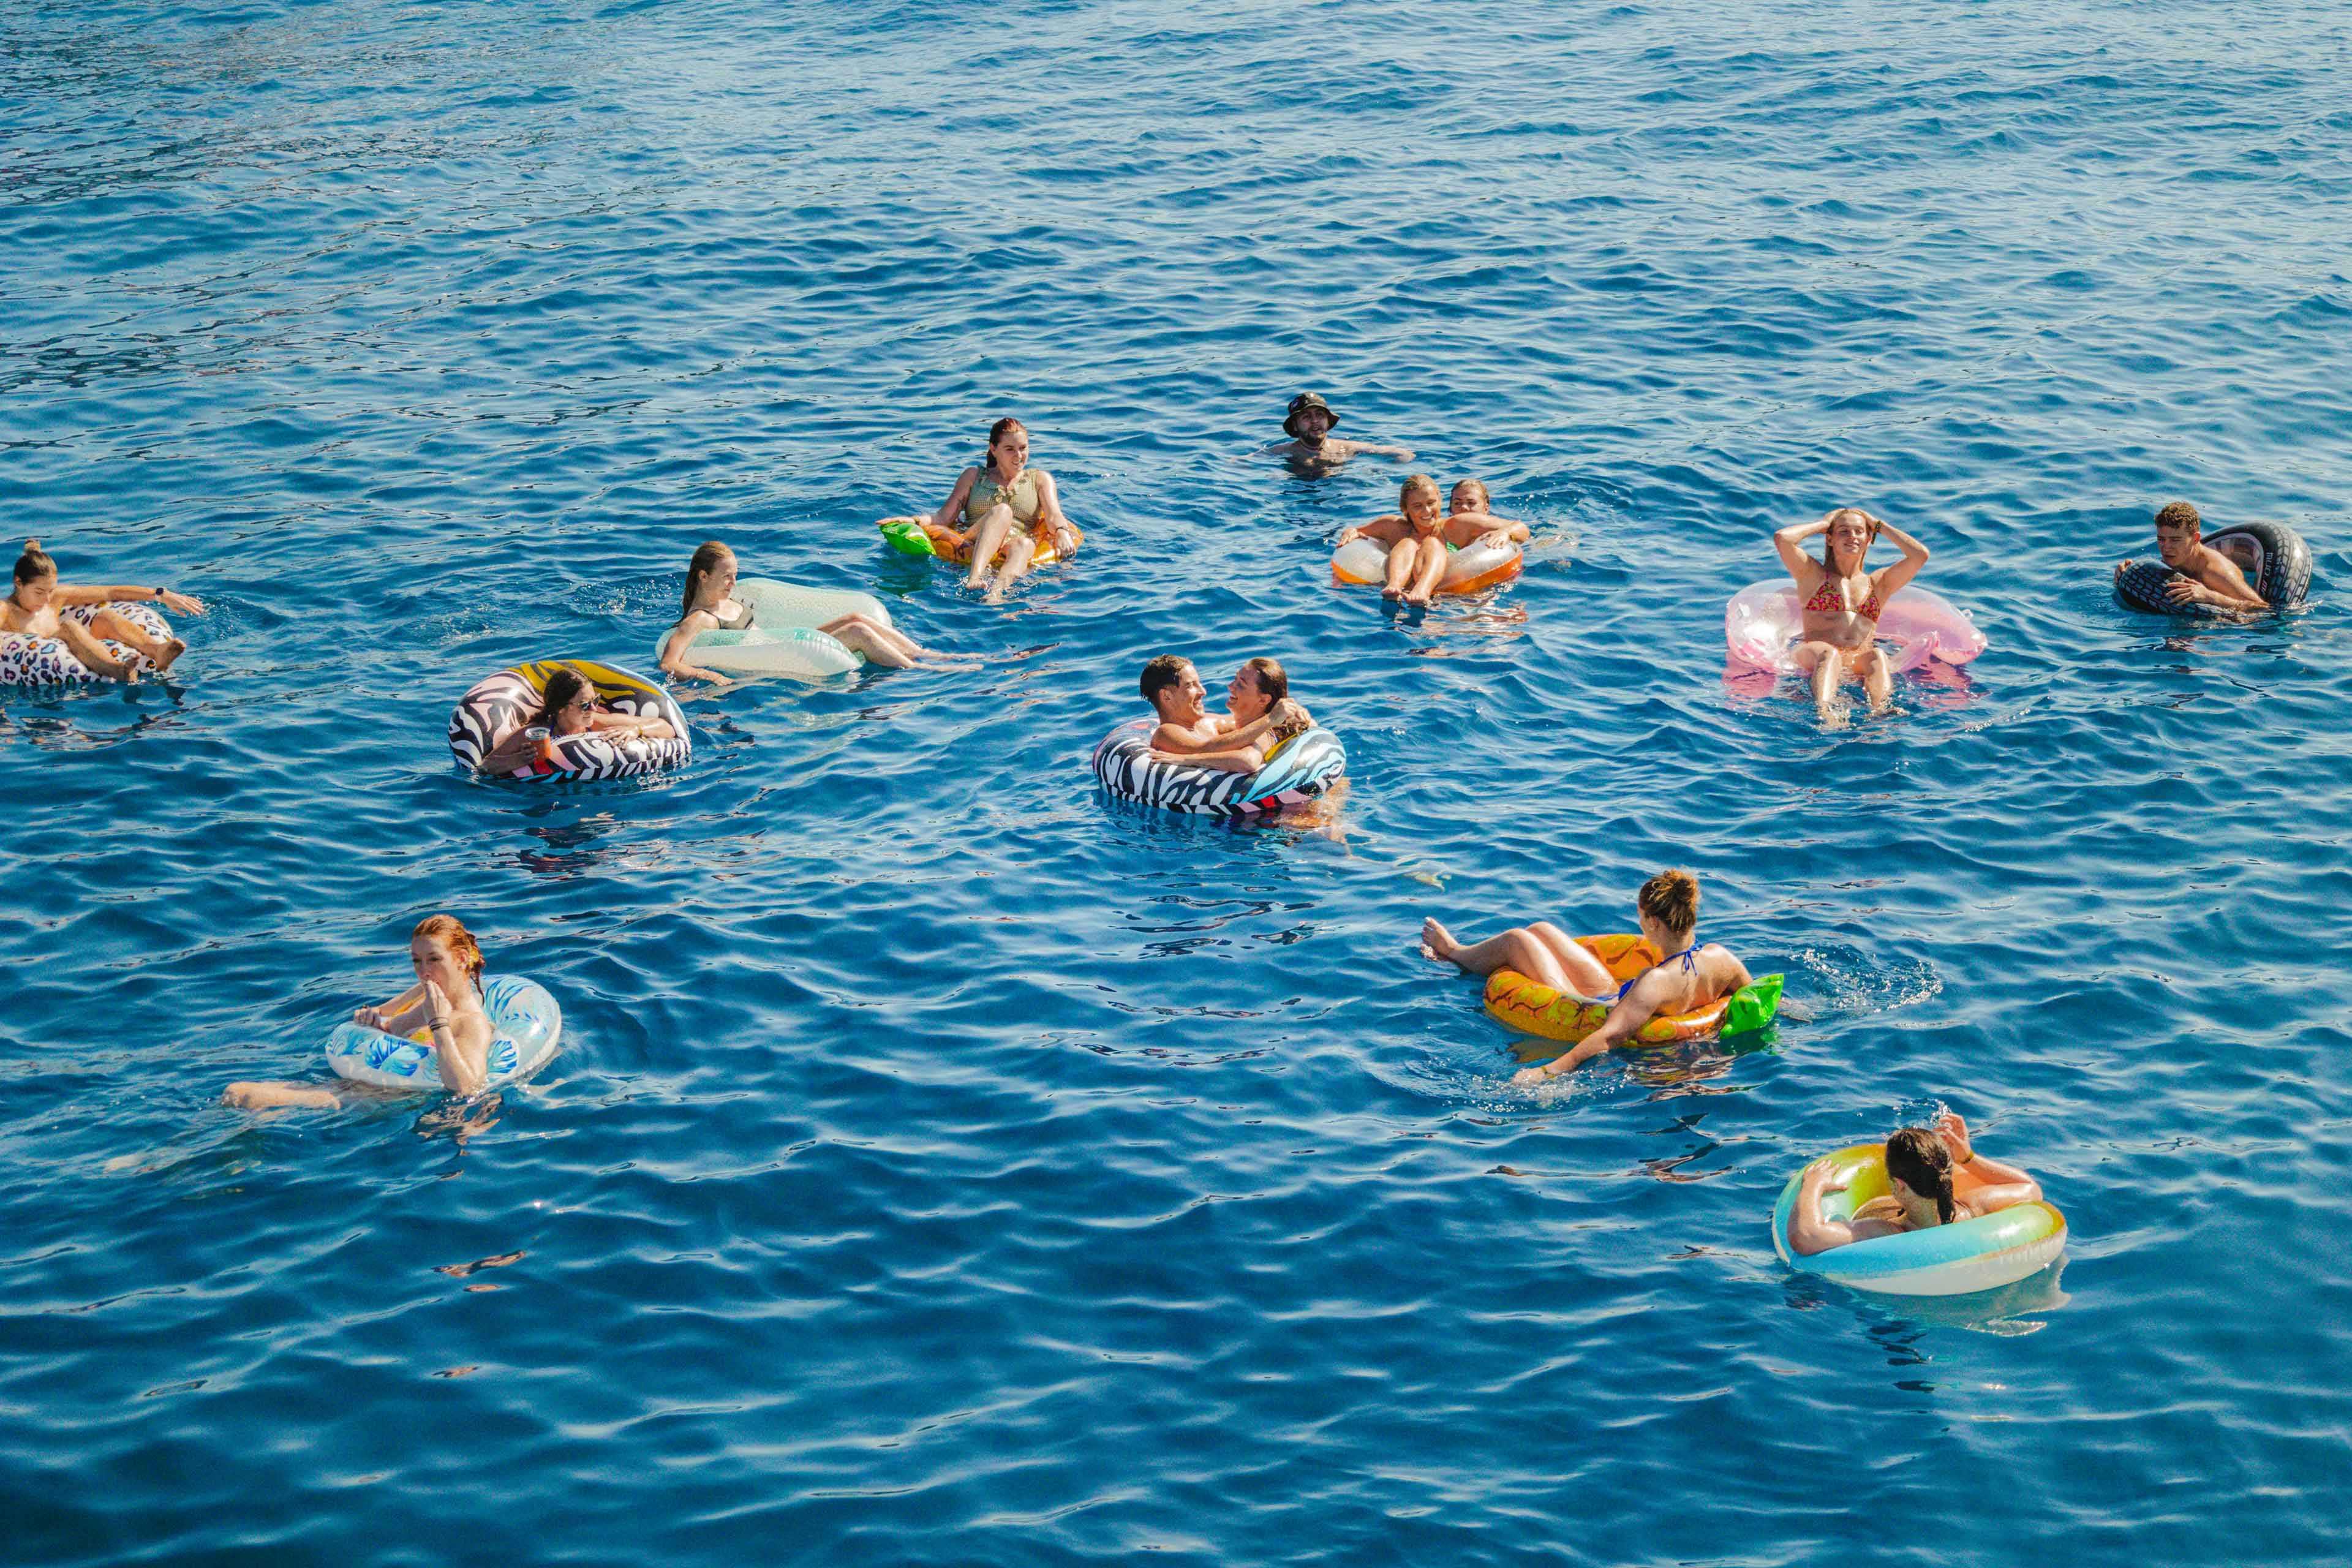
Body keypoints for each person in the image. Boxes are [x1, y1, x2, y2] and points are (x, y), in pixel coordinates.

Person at [1420, 869, 1754, 1086]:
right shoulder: (1720, 958)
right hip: (1613, 994)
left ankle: (1454, 953)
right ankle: (1461, 954)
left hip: (1590, 1007)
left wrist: (1546, 1071)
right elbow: (1753, 993)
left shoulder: (1657, 982)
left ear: (1653, 923)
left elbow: (1608, 1037)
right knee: (1542, 930)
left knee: (1517, 941)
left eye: (1640, 918)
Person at [224, 916, 500, 1109]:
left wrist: (439, 1025)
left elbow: (467, 1088)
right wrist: (373, 1020)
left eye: (434, 959)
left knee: (247, 1098)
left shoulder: (471, 1023)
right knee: (235, 1092)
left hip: (378, 1101)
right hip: (359, 1084)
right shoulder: (425, 996)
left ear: (462, 959)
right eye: (417, 961)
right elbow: (389, 1024)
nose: (424, 971)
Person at [660, 541, 963, 681]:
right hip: (777, 650)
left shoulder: (728, 599)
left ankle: (927, 654)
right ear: (704, 576)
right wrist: (708, 676)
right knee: (857, 632)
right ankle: (922, 672)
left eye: (736, 574)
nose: (733, 582)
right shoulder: (700, 619)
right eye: (727, 576)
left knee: (858, 618)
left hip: (781, 639)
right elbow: (669, 663)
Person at [1784, 1111, 2044, 1254]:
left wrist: (1813, 1185)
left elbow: (1805, 1237)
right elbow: (2031, 1189)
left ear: (1900, 1186)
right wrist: (1969, 1158)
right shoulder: (1971, 1209)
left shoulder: (1886, 1231)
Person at [1771, 507, 1932, 718]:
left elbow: (1920, 555)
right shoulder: (1813, 575)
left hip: (1857, 658)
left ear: (1868, 540)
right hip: (1815, 653)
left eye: (1859, 531)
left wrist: (1878, 526)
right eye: (1843, 531)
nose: (1852, 537)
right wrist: (1823, 525)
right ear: (1830, 539)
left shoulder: (1878, 583)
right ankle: (1825, 712)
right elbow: (1783, 539)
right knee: (1829, 654)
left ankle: (1879, 710)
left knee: (1877, 654)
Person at [922, 418, 1079, 602]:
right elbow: (943, 517)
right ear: (993, 449)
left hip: (1011, 546)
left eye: (1023, 448)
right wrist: (913, 521)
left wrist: (1061, 531)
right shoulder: (974, 476)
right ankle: (974, 578)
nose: (1019, 455)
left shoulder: (1039, 480)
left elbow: (1054, 515)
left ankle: (996, 594)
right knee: (1002, 512)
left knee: (1026, 544)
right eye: (1010, 449)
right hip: (975, 539)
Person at [2, 540, 201, 679]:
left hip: (83, 654)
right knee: (69, 627)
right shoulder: (6, 610)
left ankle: (158, 651)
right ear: (18, 583)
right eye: (39, 592)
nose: (47, 599)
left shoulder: (55, 598)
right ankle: (118, 671)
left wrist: (160, 594)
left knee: (105, 616)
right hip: (49, 669)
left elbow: (109, 592)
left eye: (50, 591)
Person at [1341, 476, 1532, 603]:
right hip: (1404, 594)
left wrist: (1506, 532)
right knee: (1408, 543)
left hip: (1448, 595)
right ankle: (1394, 586)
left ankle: (1423, 589)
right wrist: (1350, 532)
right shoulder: (1393, 527)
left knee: (1432, 543)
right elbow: (1356, 530)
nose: (1427, 512)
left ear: (1440, 501)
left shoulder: (1457, 524)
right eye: (1417, 506)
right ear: (1404, 509)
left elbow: (1522, 528)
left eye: (1431, 503)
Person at [477, 667, 677, 777]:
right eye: (584, 705)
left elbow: (667, 727)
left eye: (595, 701)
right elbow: (486, 765)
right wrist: (522, 759)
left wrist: (637, 730)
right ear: (561, 709)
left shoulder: (597, 722)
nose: (593, 709)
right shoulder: (537, 733)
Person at [1138, 654, 1312, 774]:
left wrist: (1292, 712)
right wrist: (1271, 719)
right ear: (1166, 696)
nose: (1204, 691)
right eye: (1191, 686)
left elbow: (1248, 723)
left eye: (1200, 683)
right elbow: (1207, 749)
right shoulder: (1167, 732)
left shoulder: (1210, 722)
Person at [2113, 501, 2270, 611]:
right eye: (2161, 539)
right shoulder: (2175, 558)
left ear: (2195, 539)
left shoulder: (2215, 571)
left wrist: (2211, 597)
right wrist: (2130, 572)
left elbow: (2261, 609)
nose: (2166, 547)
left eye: (2175, 540)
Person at [1259, 393, 1414, 475]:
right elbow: (1239, 465)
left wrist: (1385, 472)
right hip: (1299, 493)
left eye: (1320, 415)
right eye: (1307, 417)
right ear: (1295, 425)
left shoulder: (1348, 448)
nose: (1315, 421)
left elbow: (1406, 454)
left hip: (1339, 494)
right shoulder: (1283, 451)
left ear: (1328, 421)